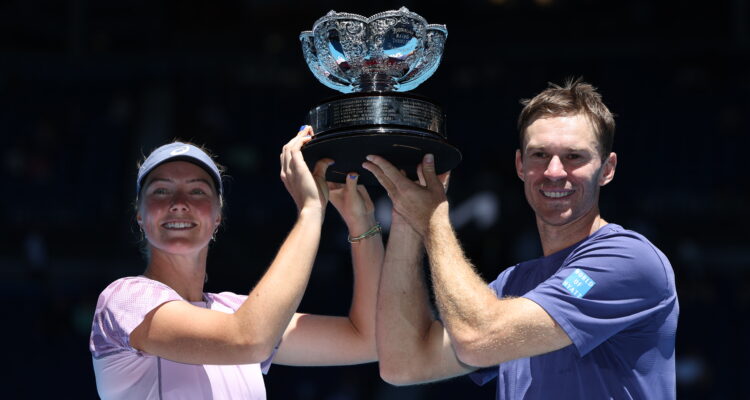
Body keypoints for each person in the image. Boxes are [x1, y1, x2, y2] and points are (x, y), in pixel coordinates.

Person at [364, 79, 679, 399]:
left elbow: (478, 338)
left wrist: (433, 222)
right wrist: (405, 217)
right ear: (520, 165)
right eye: (539, 154)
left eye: (574, 157)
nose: (554, 171)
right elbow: (403, 363)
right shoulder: (513, 285)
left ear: (607, 169)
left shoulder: (628, 259)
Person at [89, 126, 384, 399]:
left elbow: (369, 339)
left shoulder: (235, 312)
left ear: (217, 217)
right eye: (161, 190)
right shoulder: (124, 299)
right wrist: (310, 211)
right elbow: (248, 339)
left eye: (197, 191)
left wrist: (361, 223)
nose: (179, 202)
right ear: (140, 215)